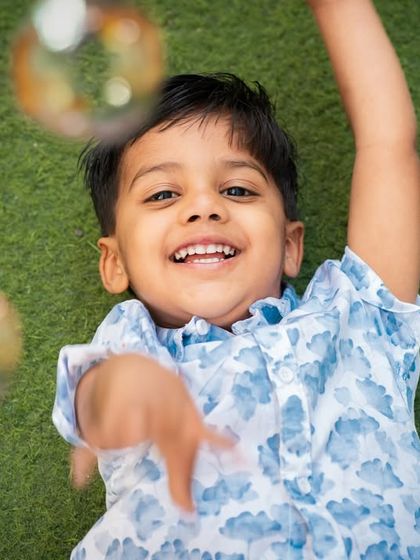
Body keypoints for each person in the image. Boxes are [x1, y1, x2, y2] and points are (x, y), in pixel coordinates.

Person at [53, 0, 420, 558]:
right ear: (115, 263)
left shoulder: (363, 316)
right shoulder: (133, 343)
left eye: (238, 190)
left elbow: (387, 144)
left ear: (291, 244)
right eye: (162, 194)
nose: (204, 208)